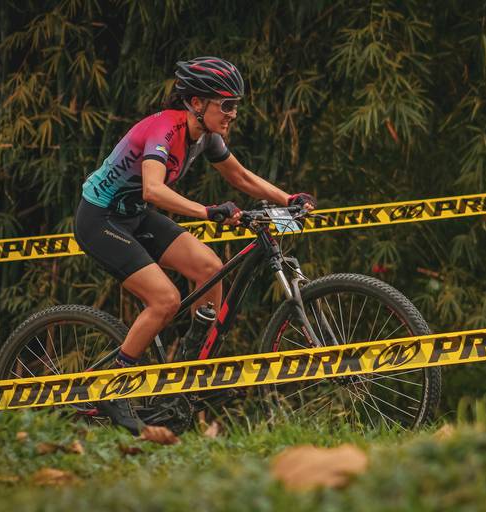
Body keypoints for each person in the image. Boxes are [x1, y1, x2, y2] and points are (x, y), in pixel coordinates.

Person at [75, 56, 316, 437]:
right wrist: (208, 211)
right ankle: (111, 385)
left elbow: (239, 176)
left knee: (209, 268)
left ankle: (189, 369)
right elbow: (153, 189)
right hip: (100, 220)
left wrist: (288, 199)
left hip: (133, 215)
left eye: (236, 105)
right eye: (227, 105)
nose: (233, 113)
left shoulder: (206, 136)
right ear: (197, 103)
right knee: (165, 300)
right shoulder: (165, 129)